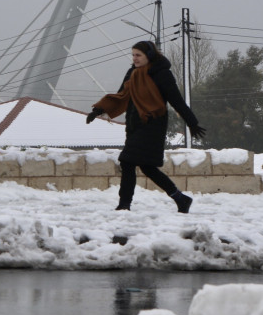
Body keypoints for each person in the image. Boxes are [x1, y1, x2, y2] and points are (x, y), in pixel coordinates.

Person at [86, 41, 206, 213]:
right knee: (146, 167)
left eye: (138, 55)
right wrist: (97, 110)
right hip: (134, 124)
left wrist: (192, 122)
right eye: (133, 55)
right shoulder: (132, 73)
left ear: (149, 55)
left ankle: (124, 204)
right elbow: (120, 96)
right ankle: (180, 198)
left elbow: (176, 100)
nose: (134, 58)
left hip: (153, 124)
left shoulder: (162, 74)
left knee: (127, 161)